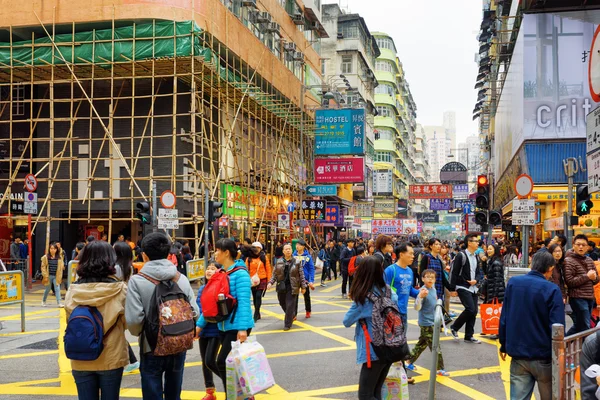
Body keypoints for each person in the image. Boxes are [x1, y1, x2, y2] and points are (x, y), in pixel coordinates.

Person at [125, 232, 199, 400]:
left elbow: (134, 321)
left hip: (151, 346)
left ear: (144, 255)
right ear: (168, 254)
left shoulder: (137, 281)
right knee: (174, 392)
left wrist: (142, 333)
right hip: (179, 342)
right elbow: (195, 312)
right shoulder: (181, 279)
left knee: (152, 392)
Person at [65, 240, 129, 400]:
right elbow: (130, 323)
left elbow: (70, 321)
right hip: (111, 356)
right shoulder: (120, 290)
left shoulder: (72, 291)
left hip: (81, 355)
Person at [499, 251, 565, 400]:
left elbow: (505, 317)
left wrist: (503, 344)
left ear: (531, 264)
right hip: (544, 356)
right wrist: (560, 354)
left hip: (518, 354)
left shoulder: (513, 283)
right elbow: (557, 327)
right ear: (550, 268)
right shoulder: (552, 289)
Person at [196, 238, 253, 393]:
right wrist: (199, 326)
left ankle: (235, 394)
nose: (215, 254)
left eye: (218, 251)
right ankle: (242, 393)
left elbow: (243, 302)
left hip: (237, 325)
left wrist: (242, 329)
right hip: (222, 324)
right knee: (231, 365)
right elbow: (210, 304)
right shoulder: (221, 273)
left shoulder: (240, 274)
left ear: (226, 253)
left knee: (222, 362)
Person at [343, 256, 398, 400]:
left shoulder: (363, 297)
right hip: (389, 347)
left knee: (366, 395)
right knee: (376, 391)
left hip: (372, 351)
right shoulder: (388, 291)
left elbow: (346, 321)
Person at [406, 269, 449, 377]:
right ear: (423, 278)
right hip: (426, 323)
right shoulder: (423, 291)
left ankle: (408, 362)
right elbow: (417, 307)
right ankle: (440, 368)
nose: (430, 279)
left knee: (422, 344)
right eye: (428, 277)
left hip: (432, 321)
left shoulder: (433, 289)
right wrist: (420, 297)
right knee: (436, 346)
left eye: (432, 277)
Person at [449, 233, 483, 344]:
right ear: (469, 242)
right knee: (470, 309)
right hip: (462, 286)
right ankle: (454, 327)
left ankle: (469, 335)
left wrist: (476, 280)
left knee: (474, 311)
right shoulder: (461, 255)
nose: (478, 243)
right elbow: (454, 272)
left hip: (473, 287)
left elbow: (478, 272)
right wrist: (452, 289)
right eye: (475, 241)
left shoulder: (476, 256)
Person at [195, 260, 221, 400]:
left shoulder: (219, 287)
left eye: (213, 268)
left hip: (215, 329)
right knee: (204, 361)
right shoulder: (202, 288)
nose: (209, 271)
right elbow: (199, 309)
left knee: (210, 360)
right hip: (204, 329)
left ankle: (235, 384)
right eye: (208, 268)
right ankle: (210, 391)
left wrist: (198, 327)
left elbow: (208, 310)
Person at [564, 234, 599, 335]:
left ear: (587, 247)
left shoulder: (589, 260)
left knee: (580, 325)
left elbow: (596, 279)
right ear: (573, 245)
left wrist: (594, 277)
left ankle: (563, 344)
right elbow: (569, 281)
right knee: (585, 327)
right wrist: (587, 277)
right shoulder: (568, 260)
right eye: (578, 244)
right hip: (577, 297)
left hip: (590, 297)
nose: (581, 247)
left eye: (584, 245)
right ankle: (586, 350)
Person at [267, 244, 307, 331]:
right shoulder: (278, 261)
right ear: (283, 251)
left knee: (289, 305)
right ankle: (291, 315)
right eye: (286, 249)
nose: (288, 250)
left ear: (291, 251)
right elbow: (275, 274)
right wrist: (270, 282)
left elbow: (301, 275)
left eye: (289, 249)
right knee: (282, 303)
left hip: (292, 286)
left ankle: (287, 324)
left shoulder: (297, 262)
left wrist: (303, 287)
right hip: (281, 286)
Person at [419, 238, 451, 303]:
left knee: (438, 309)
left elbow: (442, 276)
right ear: (431, 246)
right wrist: (423, 288)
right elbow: (421, 273)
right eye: (436, 244)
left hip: (439, 288)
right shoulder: (426, 258)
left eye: (439, 244)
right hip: (428, 289)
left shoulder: (439, 260)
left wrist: (451, 288)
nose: (439, 246)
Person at [246, 241, 272, 322]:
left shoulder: (264, 257)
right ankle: (258, 312)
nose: (256, 250)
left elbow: (268, 269)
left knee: (258, 296)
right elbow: (246, 269)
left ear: (260, 249)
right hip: (252, 280)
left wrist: (269, 281)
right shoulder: (248, 259)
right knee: (254, 297)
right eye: (255, 248)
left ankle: (256, 313)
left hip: (262, 279)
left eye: (258, 248)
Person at [293, 239, 315, 318]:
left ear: (303, 247)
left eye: (299, 245)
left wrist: (311, 280)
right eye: (297, 245)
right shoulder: (293, 256)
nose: (297, 246)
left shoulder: (307, 257)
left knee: (306, 295)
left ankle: (308, 310)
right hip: (295, 279)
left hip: (304, 279)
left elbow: (311, 268)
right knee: (294, 297)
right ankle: (294, 314)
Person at [41, 243, 65, 307]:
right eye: (51, 248)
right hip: (48, 276)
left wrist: (60, 276)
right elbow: (43, 267)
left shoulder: (59, 258)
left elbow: (61, 267)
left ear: (56, 250)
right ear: (49, 249)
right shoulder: (45, 257)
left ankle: (59, 302)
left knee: (57, 289)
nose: (52, 250)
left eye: (54, 249)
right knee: (47, 289)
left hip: (56, 276)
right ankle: (43, 301)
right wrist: (45, 275)